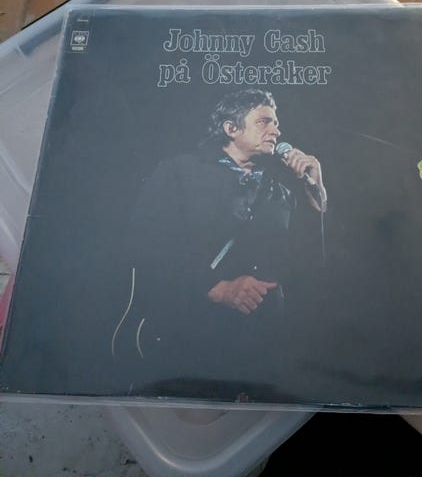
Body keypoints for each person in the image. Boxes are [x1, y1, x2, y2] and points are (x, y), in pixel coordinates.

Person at [112, 89, 326, 401]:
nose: (276, 130)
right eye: (265, 121)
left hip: (256, 348)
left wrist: (314, 191)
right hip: (183, 336)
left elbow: (310, 266)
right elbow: (144, 241)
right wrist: (217, 288)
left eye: (277, 123)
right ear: (231, 128)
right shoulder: (180, 171)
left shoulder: (282, 193)